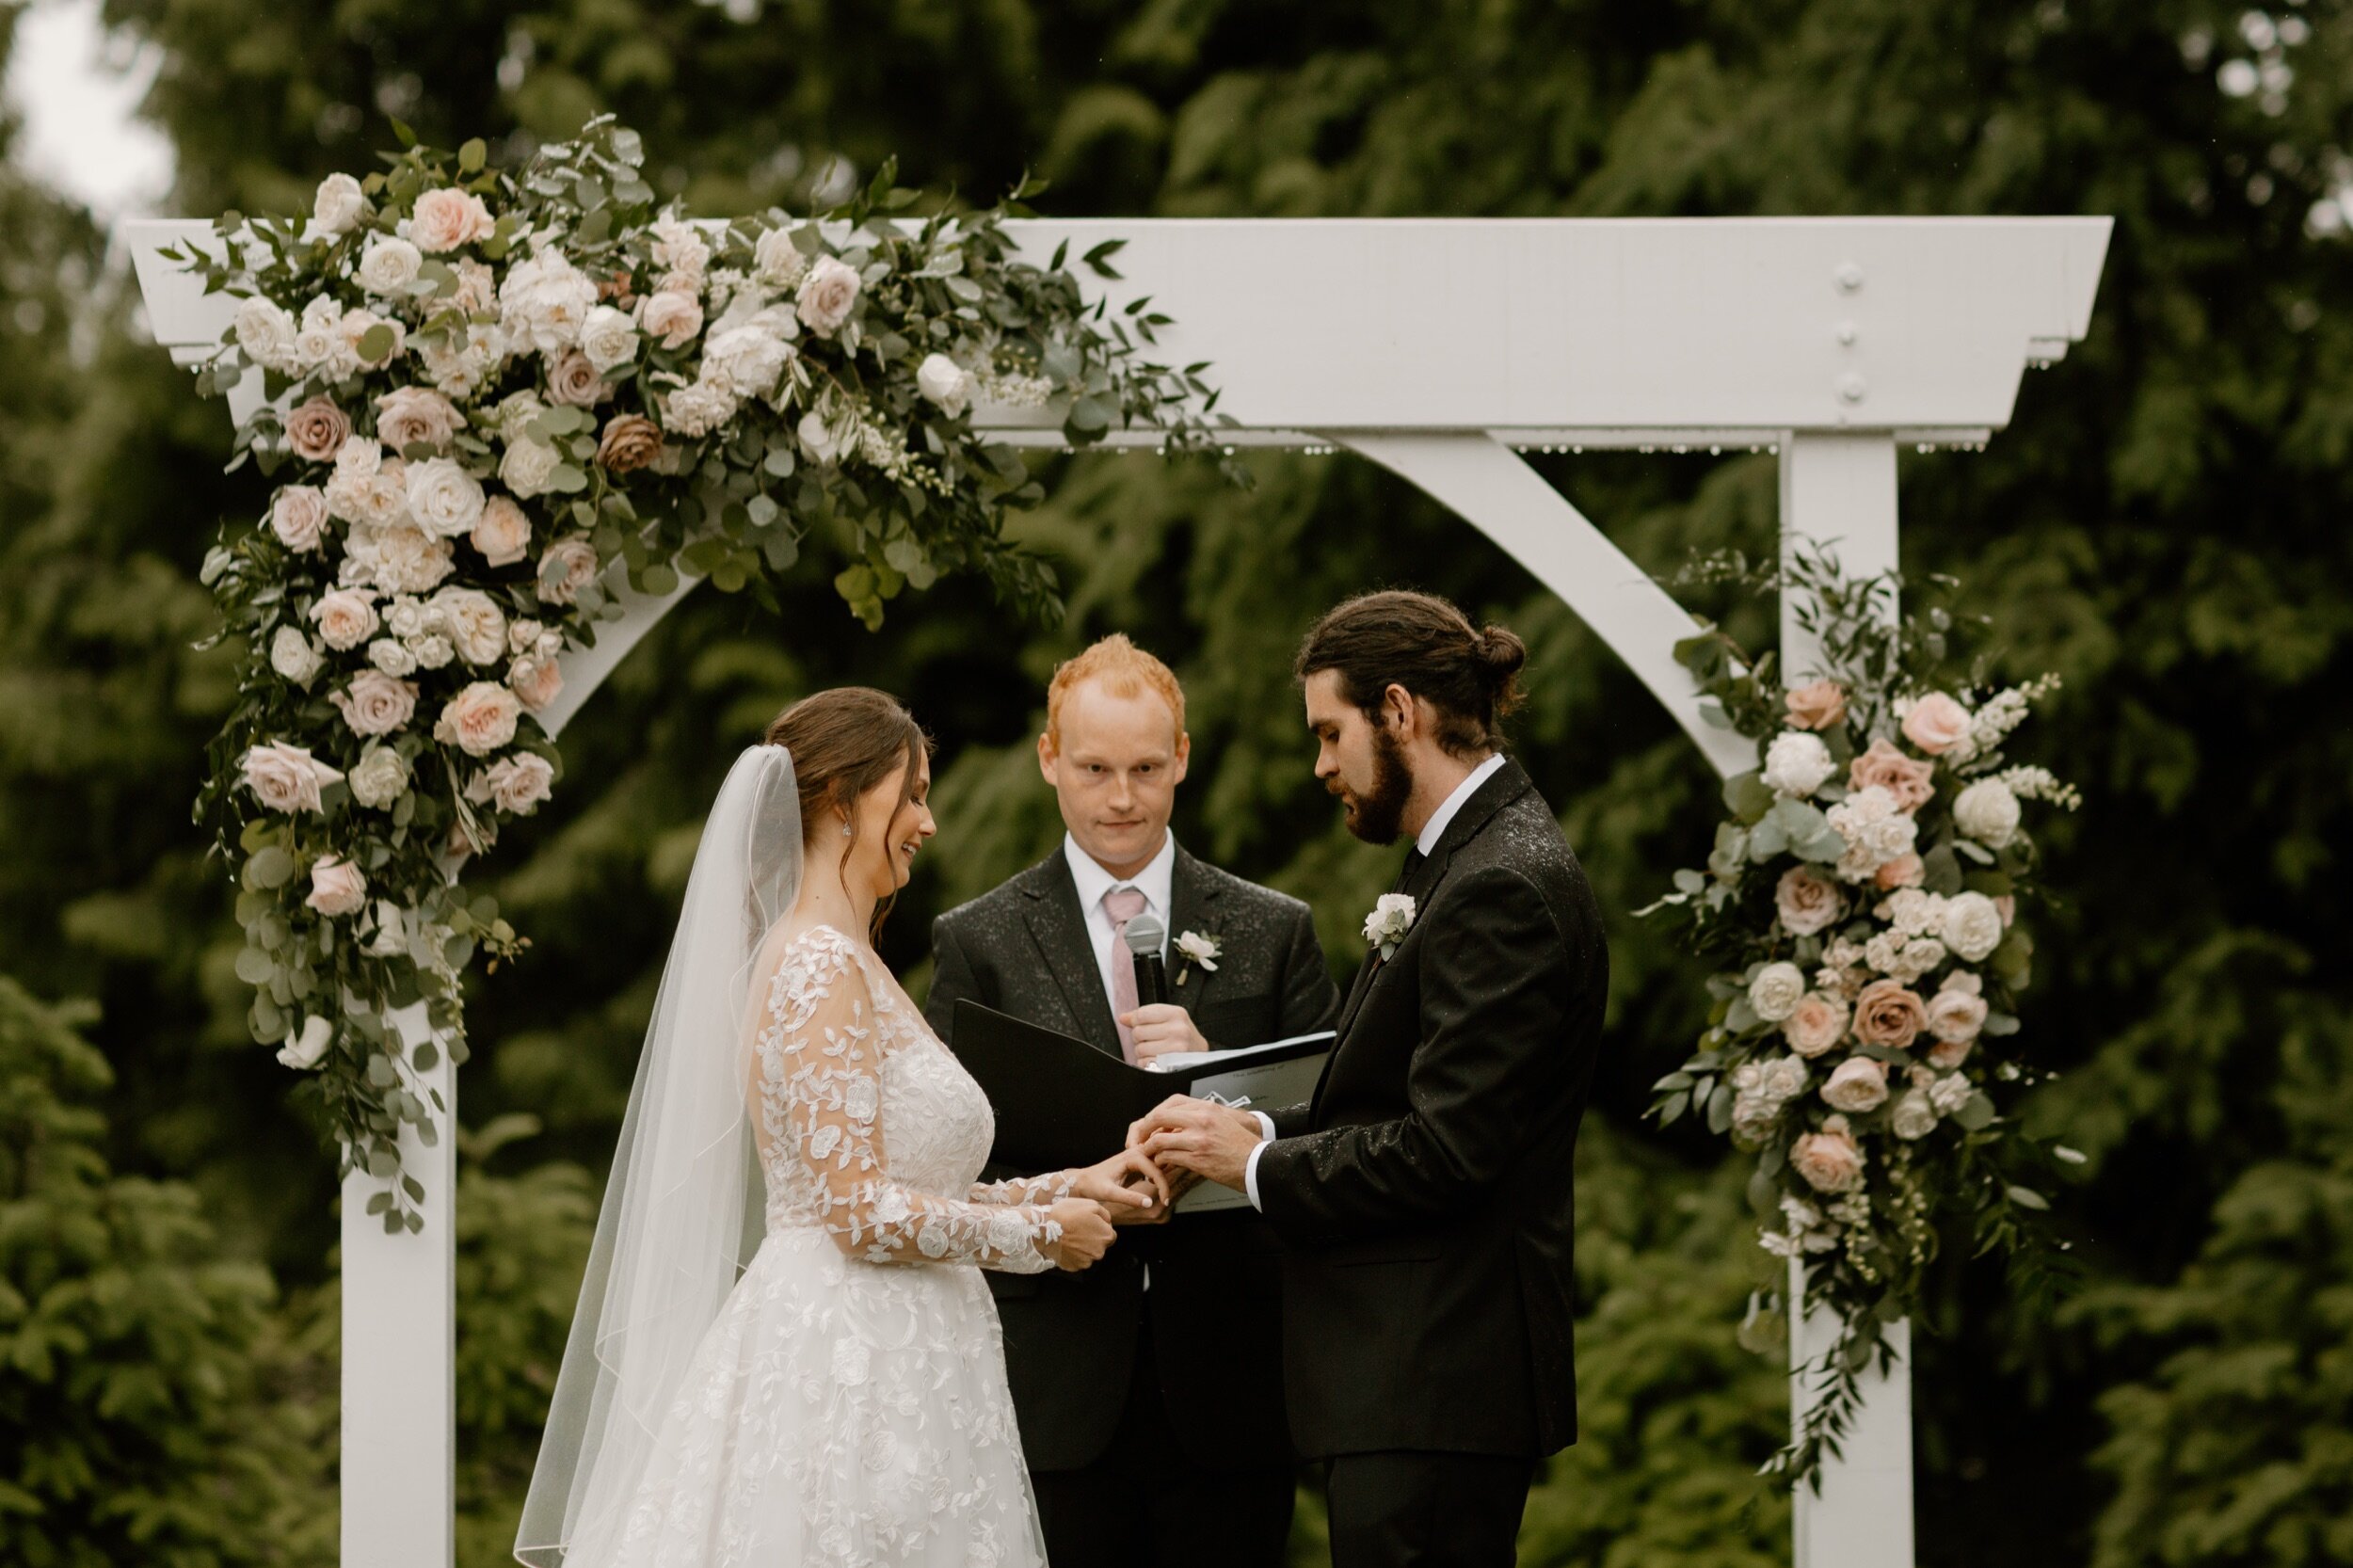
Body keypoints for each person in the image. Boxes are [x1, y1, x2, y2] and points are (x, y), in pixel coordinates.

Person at [515, 688, 1169, 1568]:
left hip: (907, 1351)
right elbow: (856, 1212)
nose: (927, 823)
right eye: (912, 794)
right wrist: (1041, 1236)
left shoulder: (850, 957)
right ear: (840, 801)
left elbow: (907, 1184)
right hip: (851, 1367)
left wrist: (1070, 1185)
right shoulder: (819, 963)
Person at [1132, 592, 1608, 1568]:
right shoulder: (1463, 859)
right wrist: (1240, 1131)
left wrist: (1258, 1164)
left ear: (1399, 711)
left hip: (1435, 1373)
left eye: (1328, 732)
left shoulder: (1499, 883)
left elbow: (1445, 1149)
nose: (1319, 765)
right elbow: (1387, 1099)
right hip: (1414, 1379)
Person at [927, 635, 1338, 1568]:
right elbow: (945, 1150)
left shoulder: (1272, 930)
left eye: (1146, 768)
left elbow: (1336, 1116)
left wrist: (1221, 1067)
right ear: (1048, 760)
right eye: (1095, 768)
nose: (1121, 797)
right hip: (1057, 1373)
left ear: (1182, 758)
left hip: (1231, 1374)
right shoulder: (979, 940)